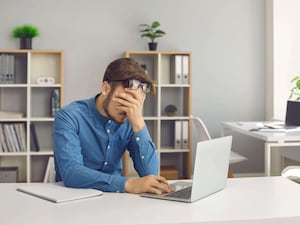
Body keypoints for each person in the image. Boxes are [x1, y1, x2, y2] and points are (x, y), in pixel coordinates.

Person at [53, 58, 173, 194]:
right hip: (72, 197)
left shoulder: (132, 119)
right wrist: (128, 184)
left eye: (136, 103)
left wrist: (139, 123)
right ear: (105, 88)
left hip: (115, 200)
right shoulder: (69, 116)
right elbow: (71, 173)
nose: (129, 109)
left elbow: (150, 175)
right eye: (125, 100)